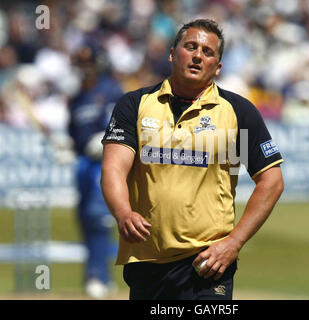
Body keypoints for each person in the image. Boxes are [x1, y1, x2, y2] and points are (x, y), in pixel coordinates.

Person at [101, 19, 284, 300]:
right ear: (173, 54)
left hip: (208, 264)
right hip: (146, 261)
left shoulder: (238, 111)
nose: (198, 55)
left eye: (208, 52)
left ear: (218, 67)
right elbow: (114, 167)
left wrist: (233, 243)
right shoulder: (135, 104)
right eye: (191, 47)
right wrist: (123, 213)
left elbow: (271, 180)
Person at [68, 44, 123, 298]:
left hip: (104, 163)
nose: (85, 69)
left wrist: (104, 139)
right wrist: (67, 148)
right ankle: (96, 274)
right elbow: (74, 136)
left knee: (99, 218)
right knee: (85, 220)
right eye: (81, 64)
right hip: (82, 165)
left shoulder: (110, 89)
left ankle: (98, 276)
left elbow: (120, 124)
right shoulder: (76, 97)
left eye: (89, 63)